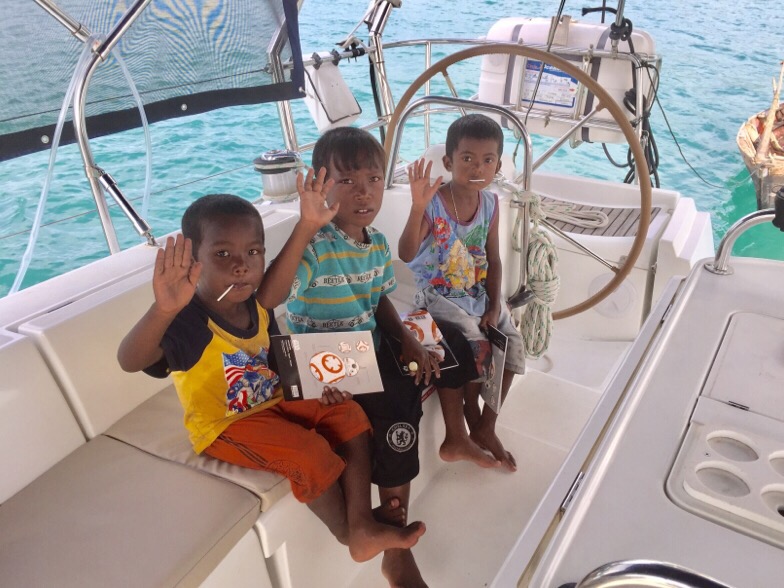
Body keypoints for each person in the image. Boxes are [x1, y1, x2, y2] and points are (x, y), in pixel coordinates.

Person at [117, 193, 424, 566]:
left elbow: (276, 350)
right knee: (308, 451)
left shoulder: (256, 304)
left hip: (273, 401)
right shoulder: (189, 322)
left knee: (349, 415)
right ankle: (347, 533)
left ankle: (362, 524)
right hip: (227, 425)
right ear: (194, 260)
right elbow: (130, 360)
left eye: (253, 252)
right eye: (223, 254)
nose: (241, 266)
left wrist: (317, 391)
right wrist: (163, 309)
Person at [258, 127, 471, 588]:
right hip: (321, 358)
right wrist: (305, 225)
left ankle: (455, 442)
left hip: (366, 346)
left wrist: (408, 340)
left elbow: (377, 300)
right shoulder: (315, 245)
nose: (364, 192)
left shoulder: (375, 243)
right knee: (397, 400)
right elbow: (268, 299)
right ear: (321, 185)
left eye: (373, 180)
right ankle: (394, 549)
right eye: (348, 180)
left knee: (443, 346)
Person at [398, 113, 526, 472]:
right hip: (438, 298)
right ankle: (467, 421)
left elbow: (494, 260)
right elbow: (406, 253)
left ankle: (486, 424)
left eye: (487, 160)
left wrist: (494, 306)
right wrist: (417, 207)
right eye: (467, 158)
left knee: (513, 342)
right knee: (475, 341)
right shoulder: (434, 203)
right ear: (449, 161)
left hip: (478, 294)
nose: (477, 168)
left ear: (497, 165)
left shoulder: (491, 204)